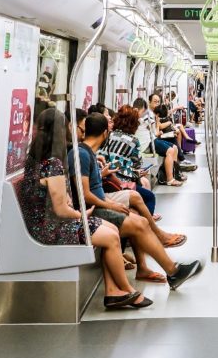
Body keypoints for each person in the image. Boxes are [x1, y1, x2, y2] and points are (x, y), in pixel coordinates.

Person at [18, 108, 149, 309]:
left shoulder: (34, 160)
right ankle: (127, 290)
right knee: (111, 236)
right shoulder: (53, 164)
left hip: (42, 224)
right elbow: (62, 210)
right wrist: (82, 214)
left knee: (112, 230)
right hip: (49, 230)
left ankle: (114, 292)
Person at [68, 113, 201, 289]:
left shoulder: (87, 153)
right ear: (105, 133)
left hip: (99, 202)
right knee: (139, 224)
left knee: (139, 212)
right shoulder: (81, 155)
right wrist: (111, 204)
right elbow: (84, 195)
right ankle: (173, 272)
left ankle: (157, 265)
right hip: (93, 209)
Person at [100, 105, 159, 219]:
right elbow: (137, 165)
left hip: (105, 180)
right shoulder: (133, 141)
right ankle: (147, 223)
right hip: (119, 182)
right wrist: (137, 173)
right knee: (149, 196)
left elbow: (111, 161)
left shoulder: (108, 135)